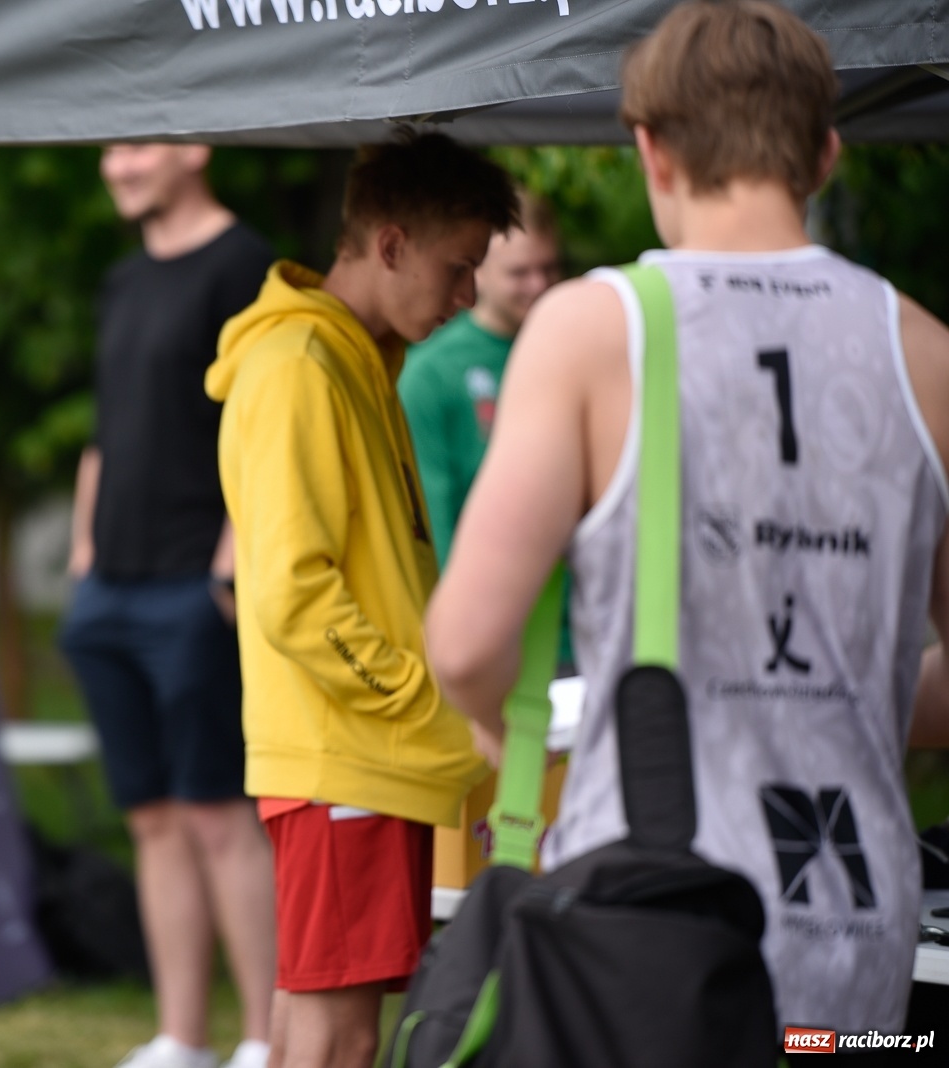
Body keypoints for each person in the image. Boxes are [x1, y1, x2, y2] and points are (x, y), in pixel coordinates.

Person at [425, 0, 949, 1036]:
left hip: (648, 905)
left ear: (650, 149)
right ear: (827, 155)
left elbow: (466, 642)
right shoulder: (925, 351)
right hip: (855, 906)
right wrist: (852, 697)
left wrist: (500, 725)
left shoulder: (591, 327)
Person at [203, 132, 508, 1068]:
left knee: (319, 1015)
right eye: (459, 269)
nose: (467, 298)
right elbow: (296, 594)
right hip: (349, 754)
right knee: (339, 1034)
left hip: (360, 753)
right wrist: (430, 706)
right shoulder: (298, 362)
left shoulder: (355, 355)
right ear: (389, 244)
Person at [58, 142, 276, 1068]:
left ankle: (266, 1040)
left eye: (141, 144)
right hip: (111, 589)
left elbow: (267, 422)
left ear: (195, 147)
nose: (120, 165)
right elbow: (108, 430)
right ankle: (182, 1038)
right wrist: (82, 551)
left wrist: (230, 561)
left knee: (219, 814)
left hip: (198, 587)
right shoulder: (121, 279)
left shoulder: (247, 268)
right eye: (112, 148)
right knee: (151, 819)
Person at [397, 195, 560, 567]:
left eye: (549, 268)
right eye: (519, 272)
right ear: (478, 272)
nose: (538, 285)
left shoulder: (580, 350)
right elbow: (431, 519)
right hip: (484, 600)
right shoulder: (429, 374)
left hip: (576, 611)